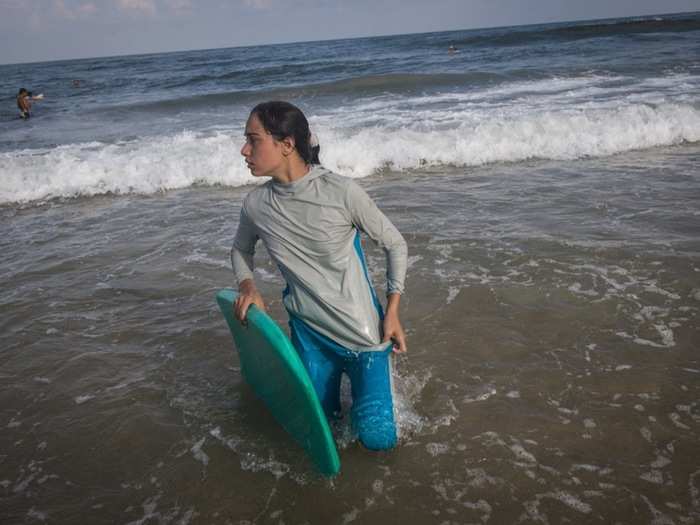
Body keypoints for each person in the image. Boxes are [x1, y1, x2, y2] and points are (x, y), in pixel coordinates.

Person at [231, 101, 408, 450]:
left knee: (378, 440)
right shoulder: (255, 205)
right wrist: (248, 286)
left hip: (364, 336)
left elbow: (395, 244)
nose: (244, 150)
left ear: (286, 144)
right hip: (309, 333)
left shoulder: (341, 192)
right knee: (319, 428)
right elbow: (241, 249)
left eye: (253, 140)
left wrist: (392, 312)